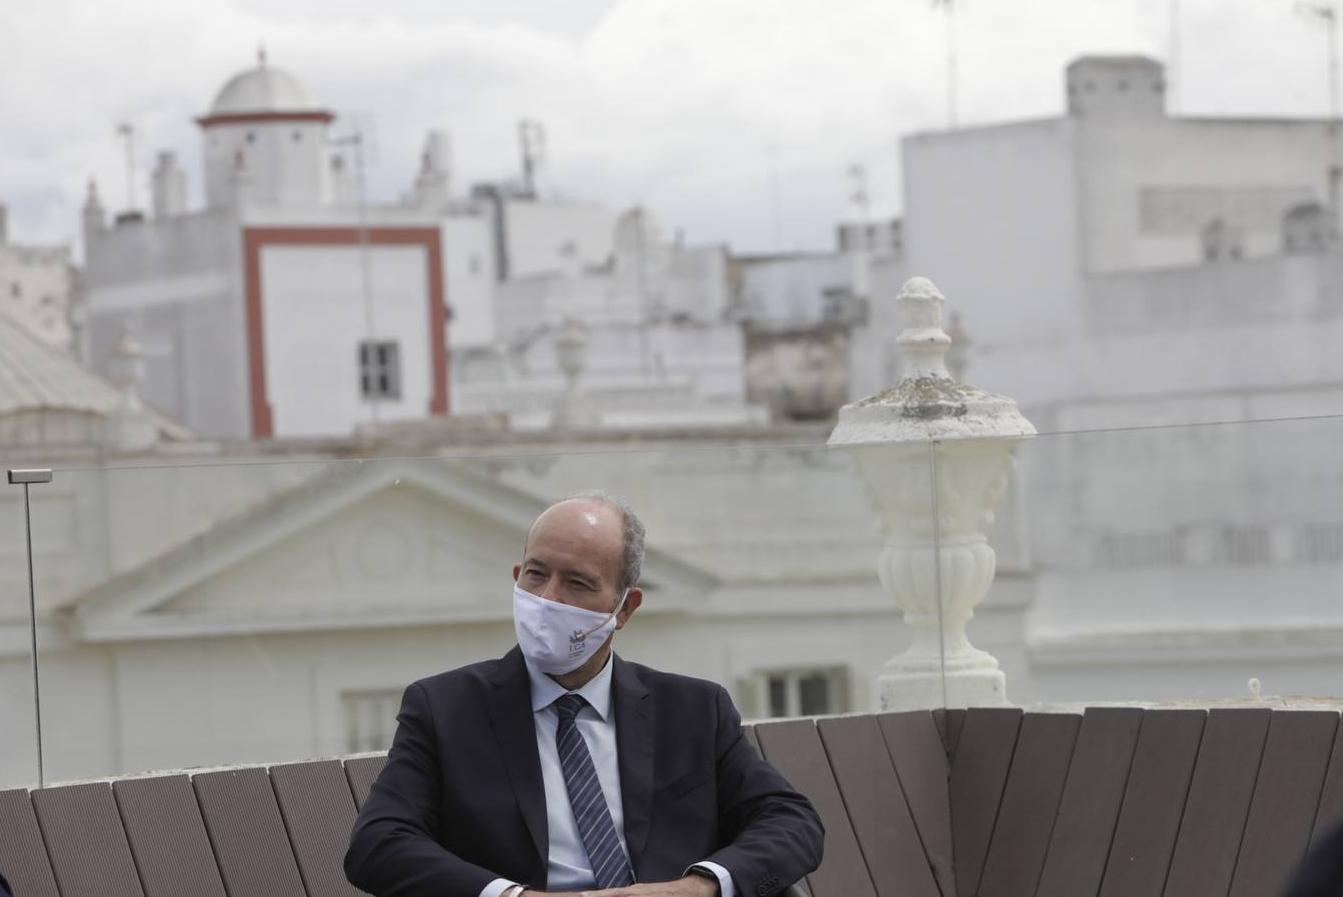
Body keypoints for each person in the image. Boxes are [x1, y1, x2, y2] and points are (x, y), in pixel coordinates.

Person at [345, 493, 824, 897]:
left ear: (624, 608)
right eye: (536, 574)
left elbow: (792, 821)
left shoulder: (694, 710)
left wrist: (696, 888)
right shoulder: (446, 708)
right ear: (517, 576)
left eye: (577, 583)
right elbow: (378, 843)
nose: (549, 598)